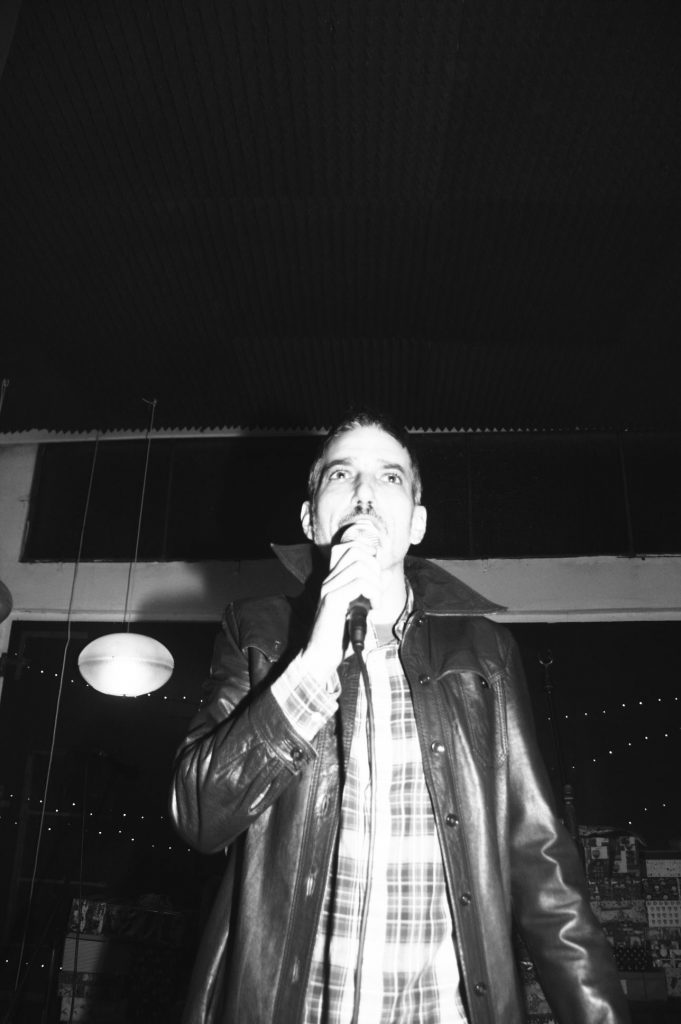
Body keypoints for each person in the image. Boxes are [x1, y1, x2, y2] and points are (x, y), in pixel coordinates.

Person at [170, 412, 630, 1024]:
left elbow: (541, 867)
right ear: (310, 518)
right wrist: (316, 655)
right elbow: (200, 815)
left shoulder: (484, 653)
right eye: (341, 475)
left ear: (417, 522)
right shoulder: (255, 632)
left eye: (389, 477)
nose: (364, 492)